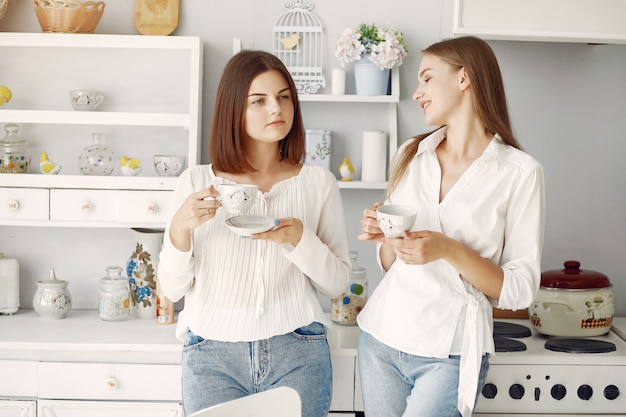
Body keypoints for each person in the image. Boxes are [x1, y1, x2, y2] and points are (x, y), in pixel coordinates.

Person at [356, 36, 545, 417]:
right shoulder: (411, 152)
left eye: (426, 78)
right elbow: (391, 265)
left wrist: (448, 249)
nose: (417, 92)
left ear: (464, 78)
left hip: (451, 354)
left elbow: (520, 290)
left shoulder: (520, 173)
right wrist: (388, 236)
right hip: (381, 337)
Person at [157, 50, 350, 417]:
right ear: (234, 109)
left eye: (283, 96)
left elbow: (337, 283)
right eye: (258, 101)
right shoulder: (197, 182)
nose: (275, 109)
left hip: (299, 350)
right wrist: (180, 228)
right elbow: (171, 289)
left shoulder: (318, 183)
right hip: (212, 353)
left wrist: (299, 240)